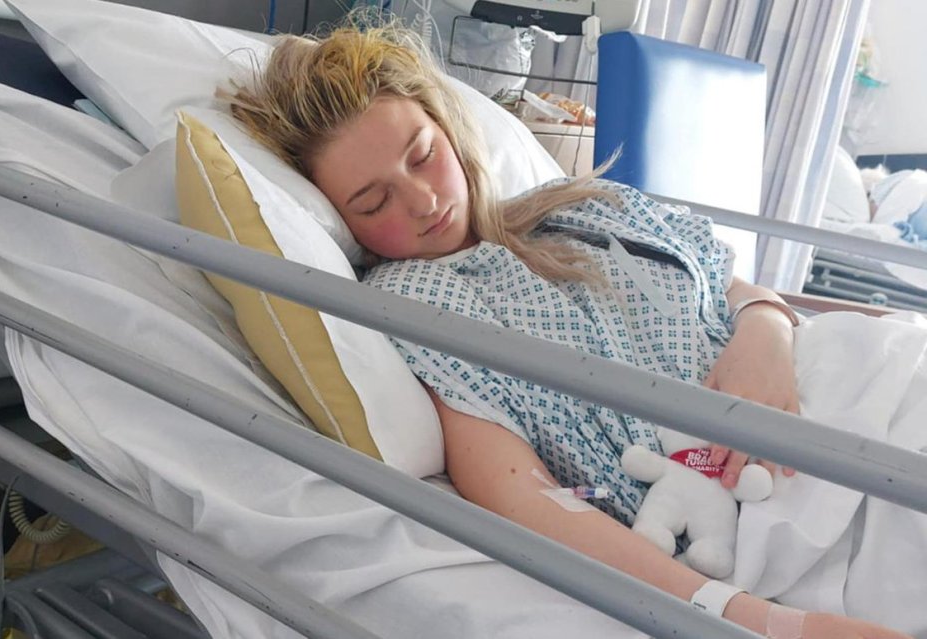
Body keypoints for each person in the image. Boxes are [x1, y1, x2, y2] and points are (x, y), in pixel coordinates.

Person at [224, 23, 913, 639]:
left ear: (449, 127)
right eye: (375, 202)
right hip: (781, 487)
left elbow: (728, 286)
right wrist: (763, 621)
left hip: (852, 371)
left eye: (423, 155)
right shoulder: (415, 304)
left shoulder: (580, 201)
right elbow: (521, 493)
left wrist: (766, 330)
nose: (426, 200)